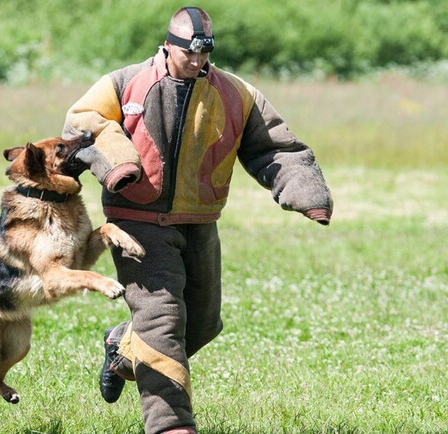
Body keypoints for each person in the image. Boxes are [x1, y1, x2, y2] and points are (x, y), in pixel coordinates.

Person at [62, 6, 333, 434]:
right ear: (168, 45)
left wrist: (304, 190)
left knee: (203, 323)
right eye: (188, 52)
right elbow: (82, 123)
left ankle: (123, 346)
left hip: (200, 219)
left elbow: (275, 147)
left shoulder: (236, 93)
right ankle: (171, 424)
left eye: (204, 52)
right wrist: (116, 159)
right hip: (136, 218)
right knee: (162, 320)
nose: (196, 60)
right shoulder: (125, 82)